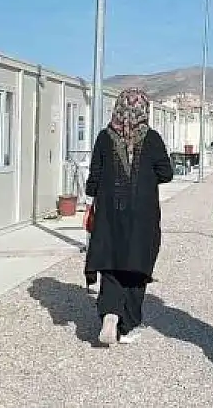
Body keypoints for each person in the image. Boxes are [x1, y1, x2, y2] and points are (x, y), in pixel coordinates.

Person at [83, 88, 173, 346]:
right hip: (142, 215)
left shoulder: (104, 137)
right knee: (137, 266)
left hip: (110, 212)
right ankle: (128, 324)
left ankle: (110, 313)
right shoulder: (152, 138)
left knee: (110, 264)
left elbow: (94, 177)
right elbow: (166, 173)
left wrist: (90, 203)